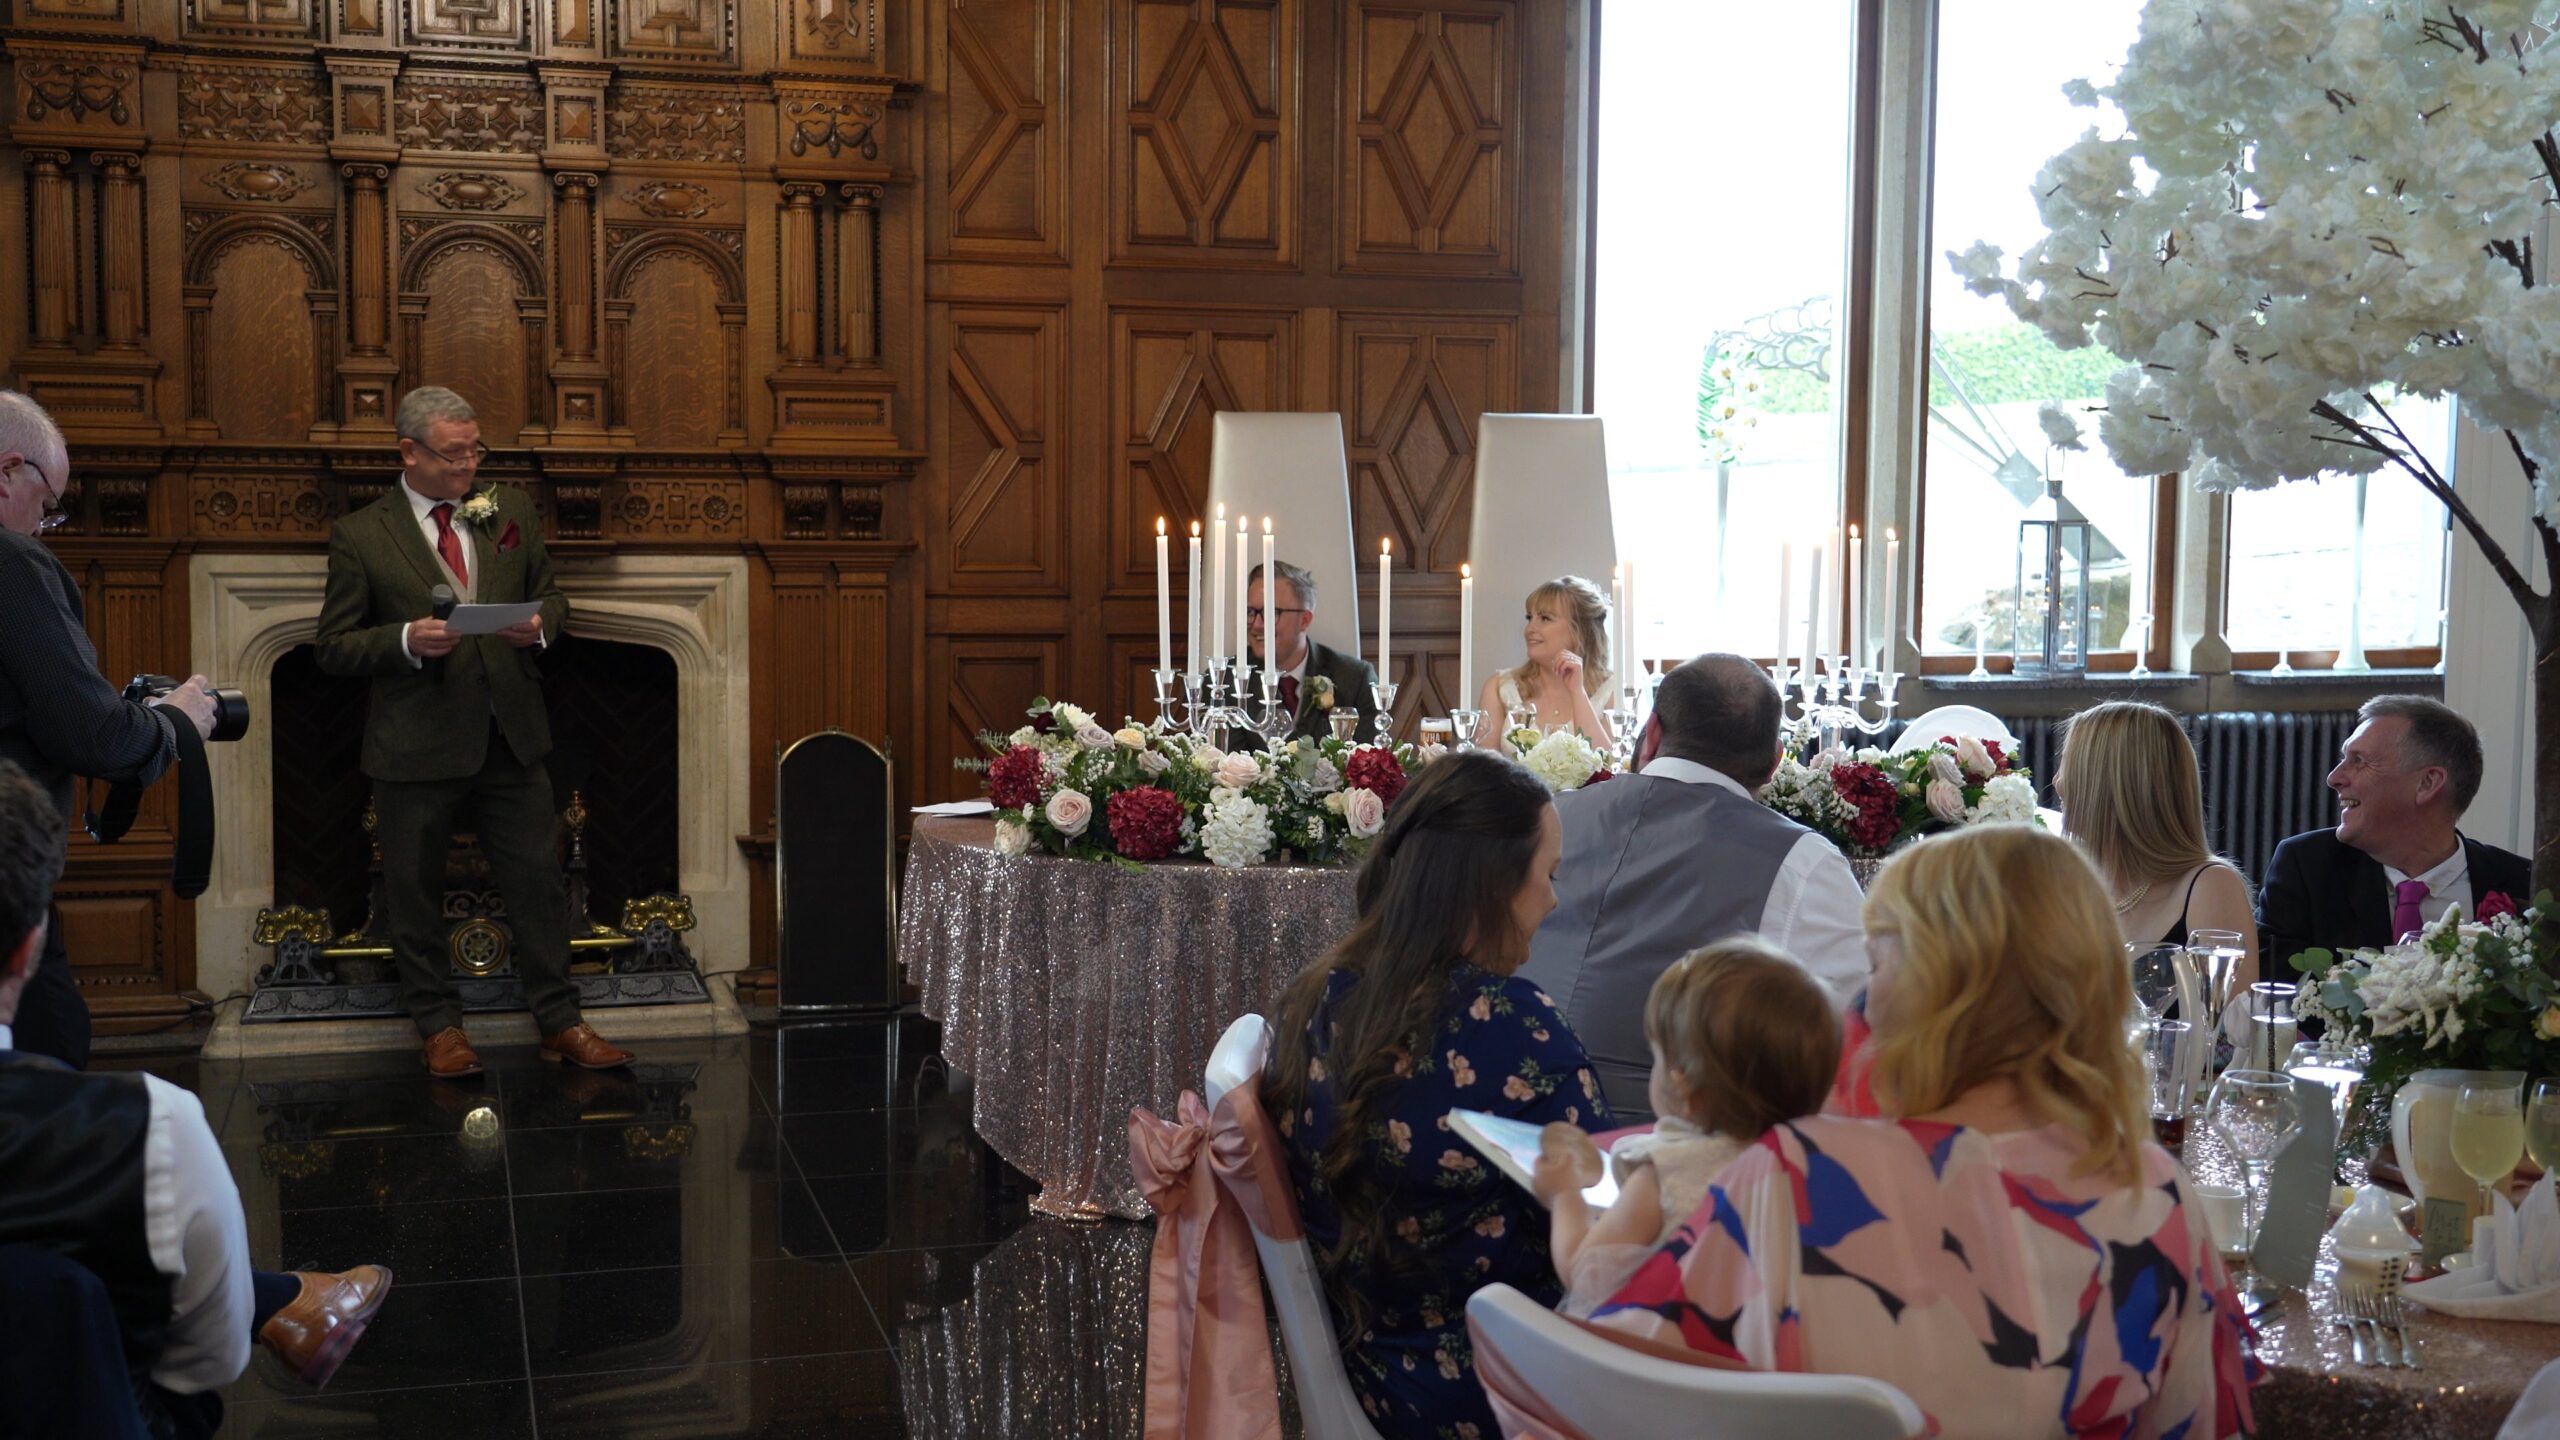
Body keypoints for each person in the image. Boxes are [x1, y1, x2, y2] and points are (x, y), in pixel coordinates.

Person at [1586, 825, 2257, 1439]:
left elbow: (1610, 1379)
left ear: (1939, 988)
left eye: (1876, 965)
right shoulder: (2159, 1194)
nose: (1862, 1002)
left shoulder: (1799, 1175)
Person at [0, 760, 391, 1437]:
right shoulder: (151, 1128)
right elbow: (210, 1362)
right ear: (32, 945)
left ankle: (291, 1298)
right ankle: (288, 1299)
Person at [1263, 749, 1613, 1440]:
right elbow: (1602, 1239)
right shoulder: (1516, 1027)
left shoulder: (1318, 997)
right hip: (1497, 1390)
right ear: (1489, 887)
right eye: (1547, 876)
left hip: (1372, 1370)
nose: (1553, 900)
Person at [314, 386, 632, 1078]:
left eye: (475, 451)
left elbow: (553, 594)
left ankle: (561, 1021)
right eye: (454, 455)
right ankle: (439, 1027)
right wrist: (403, 639)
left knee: (539, 883)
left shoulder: (507, 511)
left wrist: (540, 624)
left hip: (509, 734)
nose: (469, 467)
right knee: (412, 891)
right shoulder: (363, 534)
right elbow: (333, 645)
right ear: (409, 451)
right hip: (414, 743)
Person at [1519, 653, 1866, 1118]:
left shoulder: (1546, 819)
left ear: (1653, 733)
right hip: (1682, 1155)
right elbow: (1850, 1037)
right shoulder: (1802, 862)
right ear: (1773, 765)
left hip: (1505, 1129)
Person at [0, 390, 221, 1069]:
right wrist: (174, 723)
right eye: (48, 505)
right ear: (10, 470)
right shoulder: (13, 561)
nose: (44, 525)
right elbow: (92, 735)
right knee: (50, 1052)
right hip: (2, 879)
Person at [1532, 937, 1839, 1316]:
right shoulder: (1808, 1168)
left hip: (1648, 1360)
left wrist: (1564, 1194)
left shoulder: (1666, 1170)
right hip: (1748, 1364)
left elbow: (1586, 1276)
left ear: (1681, 1085)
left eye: (1656, 1054)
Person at [2258, 694, 2531, 969]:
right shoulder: (2307, 869)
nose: (2334, 778)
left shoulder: (2523, 886)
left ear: (2427, 783)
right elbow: (2274, 997)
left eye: (2359, 761)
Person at [2056, 700, 2260, 988]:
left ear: (2112, 785)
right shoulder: (2070, 880)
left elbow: (2229, 1029)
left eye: (2069, 766)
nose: (2057, 782)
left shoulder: (2210, 886)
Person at [1242, 560, 1380, 741]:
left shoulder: (1354, 679)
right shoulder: (1227, 681)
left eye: (1271, 613)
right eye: (1251, 612)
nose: (1257, 625)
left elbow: (1369, 759)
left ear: (1304, 620)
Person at [1470, 576, 1615, 747]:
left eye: (1545, 618)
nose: (1530, 629)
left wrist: (1578, 692)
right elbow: (1483, 768)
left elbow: (1609, 768)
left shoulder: (1611, 691)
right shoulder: (1499, 688)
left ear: (1581, 629)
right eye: (1529, 617)